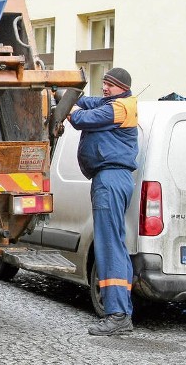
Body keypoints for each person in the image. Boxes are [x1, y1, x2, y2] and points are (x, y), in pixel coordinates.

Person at [68, 67, 138, 336]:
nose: (105, 88)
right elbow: (89, 101)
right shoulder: (112, 102)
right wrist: (63, 93)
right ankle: (120, 311)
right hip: (109, 179)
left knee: (109, 247)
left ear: (123, 88)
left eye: (111, 85)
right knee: (113, 244)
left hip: (111, 179)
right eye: (104, 83)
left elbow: (83, 117)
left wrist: (68, 110)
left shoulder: (119, 109)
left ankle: (118, 315)